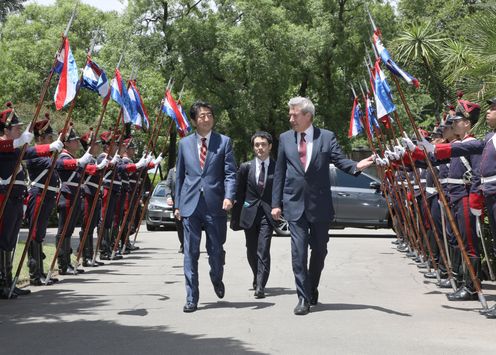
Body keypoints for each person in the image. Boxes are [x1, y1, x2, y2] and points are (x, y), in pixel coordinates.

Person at [271, 96, 374, 315]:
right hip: (294, 203)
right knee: (298, 252)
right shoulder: (285, 138)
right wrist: (276, 203)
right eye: (290, 114)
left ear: (307, 115)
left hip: (320, 205)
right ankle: (303, 298)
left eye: (294, 114)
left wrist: (357, 166)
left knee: (319, 251)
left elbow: (339, 160)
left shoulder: (326, 137)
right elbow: (279, 172)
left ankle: (311, 286)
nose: (291, 119)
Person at [174, 100, 237, 313]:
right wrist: (178, 204)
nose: (206, 118)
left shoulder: (224, 142)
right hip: (190, 205)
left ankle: (216, 276)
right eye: (201, 115)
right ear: (194, 120)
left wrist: (229, 196)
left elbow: (230, 173)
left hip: (215, 204)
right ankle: (192, 297)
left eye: (209, 114)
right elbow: (180, 176)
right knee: (190, 253)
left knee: (216, 250)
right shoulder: (183, 144)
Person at [0, 103, 60, 297]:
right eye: (16, 128)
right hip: (5, 197)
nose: (20, 130)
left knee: (10, 240)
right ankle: (3, 283)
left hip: (16, 198)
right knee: (3, 239)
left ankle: (8, 281)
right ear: (6, 130)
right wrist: (17, 143)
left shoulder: (15, 147)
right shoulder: (4, 144)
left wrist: (49, 147)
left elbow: (30, 152)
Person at [231, 131, 276, 299]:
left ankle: (260, 284)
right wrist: (234, 209)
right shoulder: (245, 167)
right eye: (257, 145)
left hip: (267, 214)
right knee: (251, 249)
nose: (260, 148)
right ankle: (256, 275)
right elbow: (239, 191)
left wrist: (279, 207)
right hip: (249, 213)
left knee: (263, 249)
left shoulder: (277, 167)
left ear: (270, 146)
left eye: (263, 144)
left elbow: (281, 189)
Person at [25, 114, 64, 285]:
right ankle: (35, 273)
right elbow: (55, 164)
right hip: (38, 194)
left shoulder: (48, 155)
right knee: (35, 233)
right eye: (49, 137)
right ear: (40, 138)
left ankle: (40, 271)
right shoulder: (35, 155)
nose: (51, 141)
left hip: (47, 195)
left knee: (40, 233)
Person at [164, 166, 184, 253]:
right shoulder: (172, 171)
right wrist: (168, 196)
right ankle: (183, 243)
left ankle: (190, 244)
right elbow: (167, 185)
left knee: (189, 223)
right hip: (176, 202)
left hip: (188, 201)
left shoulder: (189, 168)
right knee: (179, 225)